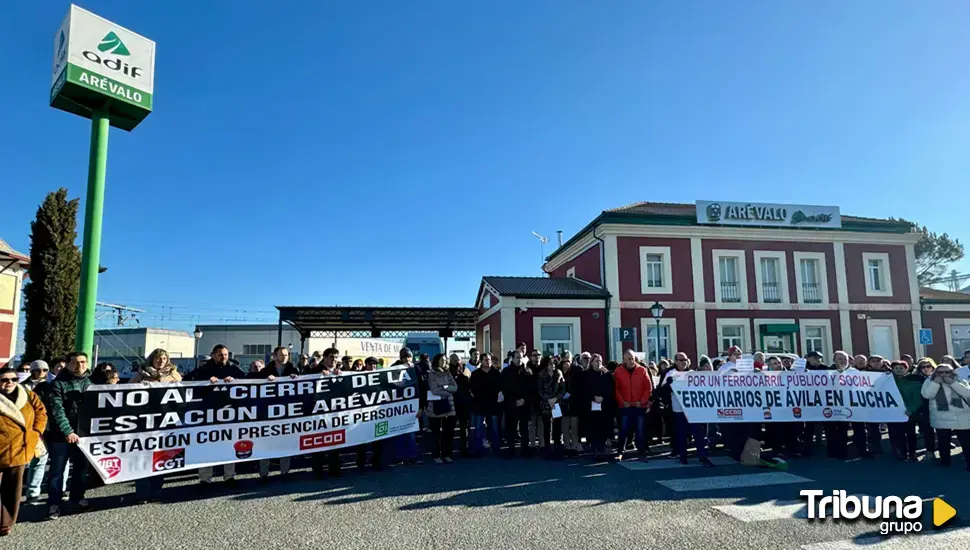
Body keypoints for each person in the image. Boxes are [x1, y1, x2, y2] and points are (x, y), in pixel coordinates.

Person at [129, 349, 182, 503]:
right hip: (144, 421)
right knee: (142, 456)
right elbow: (127, 390)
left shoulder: (174, 374)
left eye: (164, 358)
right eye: (158, 358)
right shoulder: (141, 373)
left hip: (164, 421)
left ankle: (157, 490)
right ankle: (142, 493)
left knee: (160, 456)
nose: (161, 361)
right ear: (152, 359)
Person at [188, 345, 245, 487]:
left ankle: (229, 476)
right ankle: (205, 478)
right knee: (207, 446)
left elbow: (247, 379)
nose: (224, 357)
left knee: (229, 444)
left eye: (225, 354)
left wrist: (235, 380)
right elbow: (191, 380)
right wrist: (207, 380)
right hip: (209, 412)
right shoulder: (205, 369)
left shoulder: (234, 368)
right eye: (220, 355)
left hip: (229, 412)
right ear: (213, 355)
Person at [0, 366, 47, 536]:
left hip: (21, 447)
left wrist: (35, 432)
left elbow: (41, 411)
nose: (10, 383)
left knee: (13, 489)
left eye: (13, 379)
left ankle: (6, 522)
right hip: (2, 447)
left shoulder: (27, 394)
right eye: (4, 380)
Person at [46, 352, 93, 519]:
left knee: (81, 469)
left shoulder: (91, 381)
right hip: (61, 437)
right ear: (67, 364)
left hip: (85, 435)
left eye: (83, 362)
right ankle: (54, 504)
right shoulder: (58, 384)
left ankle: (77, 499)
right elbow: (57, 410)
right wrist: (68, 431)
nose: (80, 365)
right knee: (57, 471)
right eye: (76, 362)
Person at [920, 363, 970, 470]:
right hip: (941, 415)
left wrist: (952, 383)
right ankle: (945, 461)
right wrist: (935, 383)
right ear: (935, 373)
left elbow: (967, 393)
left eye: (947, 372)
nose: (943, 374)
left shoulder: (959, 380)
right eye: (940, 372)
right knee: (943, 441)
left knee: (966, 442)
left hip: (960, 415)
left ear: (952, 372)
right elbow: (927, 395)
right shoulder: (929, 381)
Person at [22, 360, 52, 505]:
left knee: (41, 460)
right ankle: (30, 493)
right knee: (31, 461)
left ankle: (34, 493)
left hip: (48, 428)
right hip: (28, 428)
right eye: (37, 370)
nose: (41, 373)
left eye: (44, 370)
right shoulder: (22, 387)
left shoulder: (52, 385)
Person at [614, 349, 652, 461]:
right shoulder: (618, 371)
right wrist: (621, 401)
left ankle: (641, 452)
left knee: (640, 430)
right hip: (625, 406)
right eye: (629, 359)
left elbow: (648, 388)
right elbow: (616, 389)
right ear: (624, 360)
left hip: (639, 406)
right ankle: (620, 452)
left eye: (633, 358)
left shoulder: (642, 370)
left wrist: (642, 401)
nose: (631, 361)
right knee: (623, 430)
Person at [391, 348, 423, 466]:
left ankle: (412, 456)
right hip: (398, 407)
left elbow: (421, 388)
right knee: (398, 433)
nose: (407, 359)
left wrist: (421, 407)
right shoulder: (393, 368)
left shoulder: (416, 368)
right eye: (405, 357)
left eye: (409, 357)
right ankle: (398, 456)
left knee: (411, 432)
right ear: (400, 358)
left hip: (413, 406)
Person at [502, 350, 535, 458]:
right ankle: (510, 449)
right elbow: (503, 388)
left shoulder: (527, 371)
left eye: (521, 357)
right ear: (512, 358)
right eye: (517, 357)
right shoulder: (506, 372)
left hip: (524, 404)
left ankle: (525, 450)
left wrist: (525, 400)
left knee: (524, 428)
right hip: (511, 404)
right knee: (510, 428)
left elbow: (531, 389)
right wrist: (512, 401)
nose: (519, 360)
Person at [468, 353, 502, 457]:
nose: (488, 362)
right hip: (479, 404)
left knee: (495, 428)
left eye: (489, 360)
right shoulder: (475, 374)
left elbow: (501, 387)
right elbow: (471, 388)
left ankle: (496, 449)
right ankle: (478, 450)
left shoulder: (496, 373)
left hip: (493, 405)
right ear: (481, 362)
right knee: (479, 428)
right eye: (486, 360)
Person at [888, 360, 922, 462]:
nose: (899, 370)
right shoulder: (888, 381)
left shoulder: (912, 381)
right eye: (896, 368)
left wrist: (911, 409)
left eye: (901, 368)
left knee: (911, 434)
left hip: (909, 413)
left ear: (906, 369)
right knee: (898, 434)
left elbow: (917, 398)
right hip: (894, 413)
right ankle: (901, 453)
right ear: (892, 370)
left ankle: (912, 454)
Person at [426, 354, 457, 464]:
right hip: (436, 408)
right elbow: (434, 390)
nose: (444, 362)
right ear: (436, 361)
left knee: (448, 433)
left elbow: (455, 387)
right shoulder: (432, 374)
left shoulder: (448, 373)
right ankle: (436, 455)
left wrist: (446, 388)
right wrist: (448, 391)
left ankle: (447, 454)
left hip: (450, 407)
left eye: (445, 360)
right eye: (441, 360)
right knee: (436, 434)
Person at [355, 357, 385, 471]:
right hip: (363, 413)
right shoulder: (358, 377)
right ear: (366, 365)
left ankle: (376, 462)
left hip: (376, 413)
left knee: (378, 440)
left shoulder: (380, 376)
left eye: (375, 365)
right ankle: (361, 464)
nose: (373, 367)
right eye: (371, 364)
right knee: (362, 441)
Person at [584, 354, 615, 461]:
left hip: (603, 406)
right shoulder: (587, 375)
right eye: (596, 361)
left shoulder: (606, 375)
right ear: (591, 362)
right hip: (591, 406)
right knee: (593, 430)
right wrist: (593, 397)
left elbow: (611, 388)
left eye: (600, 361)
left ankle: (602, 451)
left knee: (603, 429)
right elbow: (584, 390)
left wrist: (603, 397)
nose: (599, 363)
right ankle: (595, 451)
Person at [537, 356, 566, 459]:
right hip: (546, 403)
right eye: (550, 364)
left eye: (554, 364)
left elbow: (563, 389)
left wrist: (556, 398)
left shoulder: (558, 373)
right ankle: (547, 449)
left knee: (558, 426)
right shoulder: (541, 375)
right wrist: (548, 399)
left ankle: (558, 448)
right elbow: (539, 390)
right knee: (547, 427)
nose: (552, 366)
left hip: (556, 403)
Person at [561, 352, 587, 457]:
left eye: (568, 359)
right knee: (565, 423)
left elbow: (581, 385)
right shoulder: (559, 369)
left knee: (575, 424)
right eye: (564, 360)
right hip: (563, 400)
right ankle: (567, 445)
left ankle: (576, 444)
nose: (566, 362)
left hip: (575, 400)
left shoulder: (578, 369)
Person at [913, 358, 938, 460]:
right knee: (928, 430)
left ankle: (944, 448)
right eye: (923, 367)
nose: (926, 369)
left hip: (939, 407)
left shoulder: (938, 377)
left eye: (928, 366)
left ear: (933, 367)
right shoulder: (915, 379)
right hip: (924, 408)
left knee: (942, 430)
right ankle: (930, 450)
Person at [448, 354, 472, 457]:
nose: (457, 361)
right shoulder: (448, 371)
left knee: (463, 427)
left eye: (457, 360)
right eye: (454, 360)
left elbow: (470, 384)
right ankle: (451, 449)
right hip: (454, 402)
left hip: (463, 402)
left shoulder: (465, 370)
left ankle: (463, 448)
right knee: (453, 427)